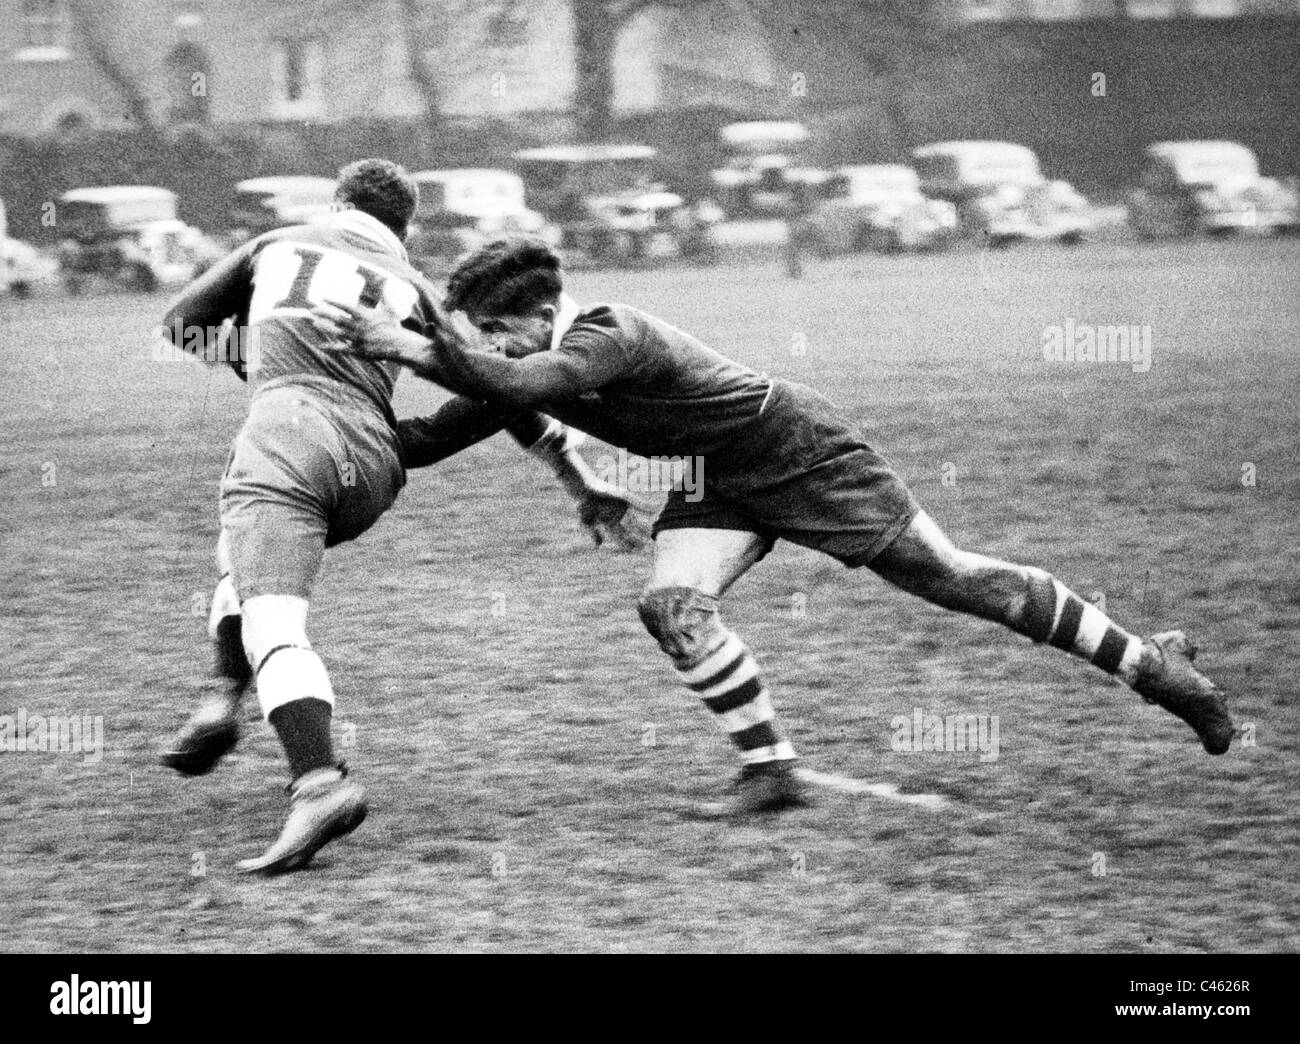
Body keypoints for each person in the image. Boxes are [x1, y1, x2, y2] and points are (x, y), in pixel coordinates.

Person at [317, 235, 1239, 816]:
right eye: (475, 334)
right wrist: (321, 430)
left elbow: (525, 384)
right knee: (672, 605)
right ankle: (772, 773)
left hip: (799, 449)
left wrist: (416, 346)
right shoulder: (503, 365)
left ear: (543, 315)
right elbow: (432, 436)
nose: (488, 347)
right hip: (719, 480)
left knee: (955, 580)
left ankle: (1156, 669)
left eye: (495, 330)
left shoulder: (608, 330)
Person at [158, 167, 638, 874]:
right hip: (374, 467)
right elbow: (490, 386)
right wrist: (580, 480)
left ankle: (319, 784)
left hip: (287, 437)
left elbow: (180, 327)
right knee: (245, 564)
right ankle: (224, 696)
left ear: (339, 206)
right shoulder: (410, 285)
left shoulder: (277, 242)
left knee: (273, 616)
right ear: (404, 229)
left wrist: (246, 355)